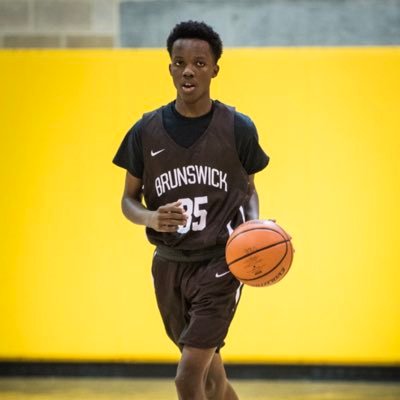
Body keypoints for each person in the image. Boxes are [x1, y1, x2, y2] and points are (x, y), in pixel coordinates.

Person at [113, 20, 269, 400]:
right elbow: (128, 201)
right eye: (180, 61)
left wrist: (252, 230)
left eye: (200, 63)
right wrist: (150, 217)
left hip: (219, 264)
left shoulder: (238, 128)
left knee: (187, 378)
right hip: (168, 265)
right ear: (169, 67)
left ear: (215, 69)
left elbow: (248, 189)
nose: (188, 69)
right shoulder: (145, 130)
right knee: (213, 382)